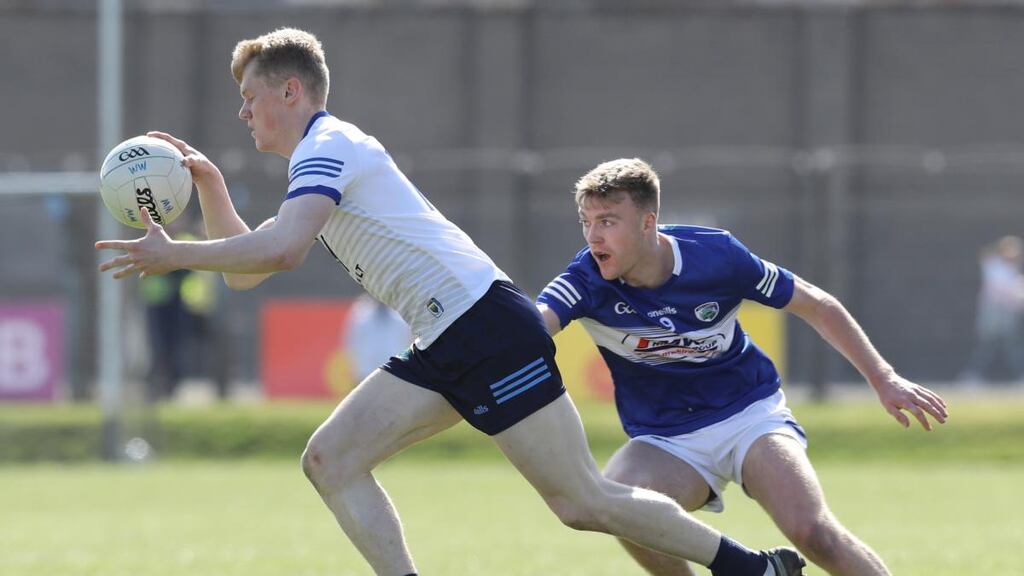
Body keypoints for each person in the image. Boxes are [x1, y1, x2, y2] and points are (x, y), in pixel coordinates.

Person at [95, 28, 804, 576]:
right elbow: (248, 271)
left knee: (581, 502)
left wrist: (174, 253)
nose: (242, 111)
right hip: (448, 333)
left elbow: (281, 250)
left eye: (250, 97)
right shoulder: (316, 157)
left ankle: (749, 567)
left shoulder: (329, 145)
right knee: (330, 460)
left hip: (484, 324)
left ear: (290, 92)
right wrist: (213, 189)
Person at [536, 158, 949, 576]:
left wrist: (884, 378)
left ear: (648, 222)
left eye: (607, 221)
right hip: (664, 439)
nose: (593, 236)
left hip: (749, 416)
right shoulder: (586, 278)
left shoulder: (716, 256)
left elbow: (818, 306)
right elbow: (536, 325)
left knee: (813, 534)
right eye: (585, 222)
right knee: (623, 507)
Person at [961, 235, 1024, 384]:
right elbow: (1003, 290)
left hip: (1006, 313)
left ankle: (1020, 375)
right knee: (987, 346)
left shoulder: (1012, 271)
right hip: (992, 312)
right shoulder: (994, 266)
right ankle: (971, 376)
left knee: (1012, 345)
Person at [343, 293, 413, 384]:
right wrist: (354, 366)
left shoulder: (399, 316)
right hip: (366, 371)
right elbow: (350, 341)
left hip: (393, 372)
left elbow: (407, 342)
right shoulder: (360, 314)